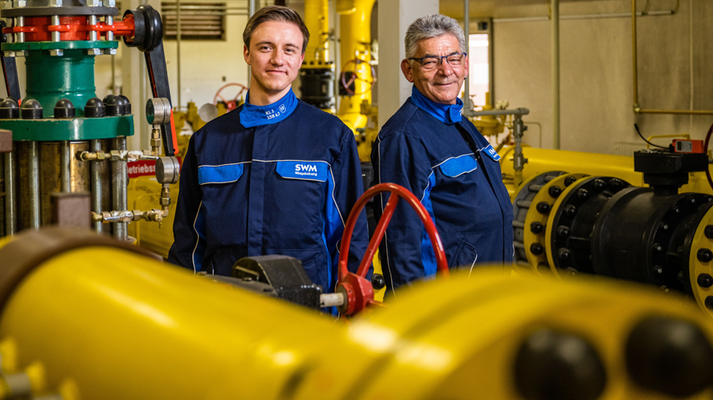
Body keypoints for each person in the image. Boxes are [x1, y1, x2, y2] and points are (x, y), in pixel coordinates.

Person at [169, 6, 369, 297]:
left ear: (300, 59)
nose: (278, 59)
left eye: (290, 49)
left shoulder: (331, 136)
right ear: (247, 53)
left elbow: (351, 237)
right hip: (225, 307)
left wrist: (352, 304)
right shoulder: (207, 142)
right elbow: (188, 241)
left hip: (307, 312)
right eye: (266, 47)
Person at [371, 14, 513, 294]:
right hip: (449, 299)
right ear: (409, 71)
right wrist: (417, 312)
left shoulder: (460, 122)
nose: (445, 70)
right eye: (430, 61)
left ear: (466, 65)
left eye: (453, 58)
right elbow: (403, 239)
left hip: (487, 289)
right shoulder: (404, 136)